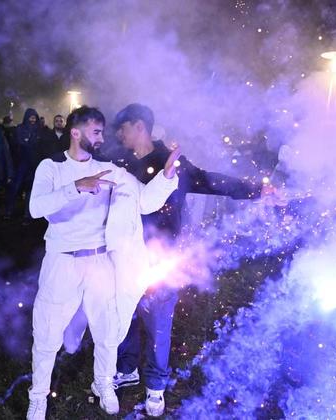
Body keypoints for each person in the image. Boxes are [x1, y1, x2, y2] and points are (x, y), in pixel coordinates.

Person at [110, 103, 285, 416]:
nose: (118, 135)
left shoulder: (171, 162)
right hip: (124, 254)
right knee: (124, 314)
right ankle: (126, 368)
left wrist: (258, 190)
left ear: (139, 126)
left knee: (158, 321)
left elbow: (210, 181)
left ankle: (155, 385)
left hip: (161, 257)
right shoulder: (120, 163)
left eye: (122, 129)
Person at [25, 106, 181, 420]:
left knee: (108, 331)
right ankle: (38, 396)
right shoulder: (51, 167)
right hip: (62, 263)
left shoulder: (109, 170)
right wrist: (75, 187)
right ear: (75, 132)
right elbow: (36, 208)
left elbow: (144, 201)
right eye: (96, 132)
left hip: (100, 261)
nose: (101, 138)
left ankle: (104, 383)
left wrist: (166, 178)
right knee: (47, 333)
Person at [7, 108, 42, 220]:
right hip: (21, 163)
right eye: (31, 117)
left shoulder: (40, 130)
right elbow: (17, 143)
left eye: (34, 118)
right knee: (15, 188)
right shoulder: (20, 128)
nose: (32, 120)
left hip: (34, 163)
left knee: (30, 189)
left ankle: (27, 214)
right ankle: (9, 211)